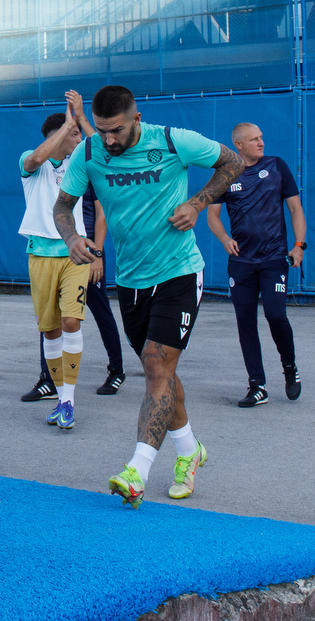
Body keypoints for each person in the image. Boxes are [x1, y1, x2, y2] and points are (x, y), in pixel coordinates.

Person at [53, 86, 243, 507]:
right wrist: (71, 238)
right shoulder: (89, 153)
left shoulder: (174, 141)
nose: (109, 140)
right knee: (163, 374)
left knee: (157, 366)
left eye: (116, 130)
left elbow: (232, 161)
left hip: (178, 272)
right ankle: (190, 451)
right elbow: (63, 206)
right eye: (102, 131)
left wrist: (196, 203)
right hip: (133, 282)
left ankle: (136, 470)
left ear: (136, 118)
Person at [18, 92, 104, 430]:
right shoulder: (31, 161)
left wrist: (80, 119)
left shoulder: (79, 164)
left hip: (74, 253)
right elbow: (35, 160)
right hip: (40, 254)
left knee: (72, 322)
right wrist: (65, 125)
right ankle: (59, 398)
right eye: (73, 134)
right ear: (58, 136)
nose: (79, 138)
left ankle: (68, 400)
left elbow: (103, 150)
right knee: (50, 330)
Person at [205, 123, 306, 407]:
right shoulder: (225, 174)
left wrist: (299, 245)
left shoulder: (277, 166)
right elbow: (212, 215)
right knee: (245, 323)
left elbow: (295, 208)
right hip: (241, 263)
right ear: (239, 144)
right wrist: (224, 237)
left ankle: (289, 367)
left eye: (261, 137)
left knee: (276, 316)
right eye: (254, 139)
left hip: (274, 259)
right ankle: (257, 385)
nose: (261, 143)